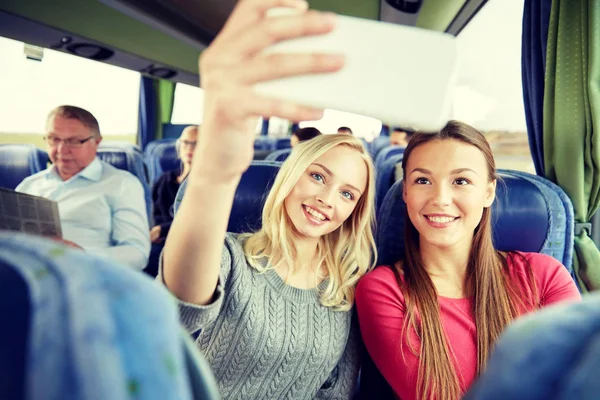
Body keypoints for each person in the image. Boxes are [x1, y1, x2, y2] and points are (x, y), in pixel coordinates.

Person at [159, 1, 377, 398]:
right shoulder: (230, 257)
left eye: (347, 193)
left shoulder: (347, 288)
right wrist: (215, 171)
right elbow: (178, 308)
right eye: (317, 176)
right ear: (291, 178)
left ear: (354, 212)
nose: (328, 199)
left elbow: (336, 391)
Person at [355, 120, 581, 400]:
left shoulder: (545, 275)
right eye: (422, 180)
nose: (440, 199)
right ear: (405, 192)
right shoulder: (383, 290)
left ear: (488, 192)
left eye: (460, 181)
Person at [16, 105, 150, 270]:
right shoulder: (29, 185)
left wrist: (82, 255)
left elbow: (137, 254)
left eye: (73, 141)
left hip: (89, 278)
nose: (62, 150)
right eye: (54, 139)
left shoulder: (122, 184)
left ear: (97, 142)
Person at [150, 125, 199, 244]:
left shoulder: (207, 183)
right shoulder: (165, 179)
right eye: (185, 143)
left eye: (196, 144)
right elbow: (153, 214)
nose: (189, 148)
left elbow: (197, 222)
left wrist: (162, 230)